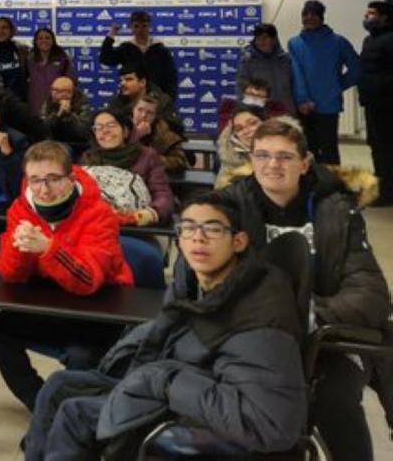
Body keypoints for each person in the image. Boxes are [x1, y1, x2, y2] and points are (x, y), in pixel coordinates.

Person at [25, 193, 307, 460]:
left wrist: (165, 380)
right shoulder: (195, 285)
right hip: (180, 389)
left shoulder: (257, 314)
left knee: (76, 415)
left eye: (213, 229)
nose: (198, 237)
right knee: (60, 385)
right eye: (188, 227)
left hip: (205, 417)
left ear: (239, 241)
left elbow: (268, 425)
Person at [219, 117, 391, 461]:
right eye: (263, 155)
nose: (272, 165)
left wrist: (308, 314)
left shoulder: (338, 210)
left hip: (324, 340)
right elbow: (209, 282)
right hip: (251, 340)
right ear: (251, 159)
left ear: (305, 163)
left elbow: (369, 291)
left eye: (284, 157)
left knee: (336, 399)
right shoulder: (227, 207)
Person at [0, 141, 132, 411]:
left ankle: (66, 417)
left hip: (98, 308)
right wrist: (19, 249)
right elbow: (9, 274)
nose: (43, 189)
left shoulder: (99, 215)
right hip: (51, 301)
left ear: (70, 179)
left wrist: (48, 248)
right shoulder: (20, 209)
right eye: (35, 180)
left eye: (53, 179)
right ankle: (41, 404)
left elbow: (88, 281)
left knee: (81, 356)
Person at [288, 0, 360, 165]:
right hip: (304, 108)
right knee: (305, 151)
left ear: (322, 17)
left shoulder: (338, 42)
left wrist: (336, 86)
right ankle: (310, 188)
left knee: (329, 151)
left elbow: (357, 69)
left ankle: (332, 188)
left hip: (328, 106)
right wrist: (302, 100)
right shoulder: (295, 43)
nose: (309, 17)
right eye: (305, 14)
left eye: (314, 14)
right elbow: (296, 73)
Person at [80, 109, 171, 226]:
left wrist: (147, 214)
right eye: (98, 127)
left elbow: (163, 194)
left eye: (111, 125)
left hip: (134, 228)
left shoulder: (147, 156)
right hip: (95, 227)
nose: (105, 131)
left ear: (125, 132)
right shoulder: (88, 157)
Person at [100, 10, 178, 99]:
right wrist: (111, 34)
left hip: (156, 99)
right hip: (130, 98)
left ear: (149, 27)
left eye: (144, 26)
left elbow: (171, 77)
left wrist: (168, 98)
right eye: (136, 26)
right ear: (131, 28)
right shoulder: (126, 48)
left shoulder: (160, 49)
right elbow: (105, 59)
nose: (140, 30)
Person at [359, 1, 393, 206]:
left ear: (385, 17)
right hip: (372, 103)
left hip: (387, 104)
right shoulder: (369, 40)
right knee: (376, 147)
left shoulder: (390, 40)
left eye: (371, 13)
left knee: (387, 148)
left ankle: (388, 192)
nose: (366, 16)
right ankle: (382, 187)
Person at [236, 22, 295, 110]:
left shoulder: (286, 59)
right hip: (262, 114)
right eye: (258, 38)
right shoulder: (248, 61)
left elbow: (294, 85)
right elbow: (242, 88)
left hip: (285, 111)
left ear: (274, 39)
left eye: (265, 38)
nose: (261, 42)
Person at [131, 91, 188, 174]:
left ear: (155, 116)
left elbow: (180, 161)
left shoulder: (165, 133)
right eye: (140, 110)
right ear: (133, 111)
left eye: (149, 113)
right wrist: (136, 135)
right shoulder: (119, 129)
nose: (143, 116)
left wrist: (152, 159)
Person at [213, 103, 265, 189]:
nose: (247, 131)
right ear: (236, 135)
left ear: (267, 123)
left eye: (252, 123)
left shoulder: (287, 149)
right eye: (239, 129)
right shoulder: (229, 160)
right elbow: (221, 194)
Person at [27, 26, 75, 116]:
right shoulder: (29, 59)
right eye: (40, 38)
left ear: (53, 40)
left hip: (55, 104)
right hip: (34, 103)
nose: (44, 41)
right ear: (35, 41)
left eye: (47, 38)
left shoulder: (62, 58)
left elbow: (70, 81)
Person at [216, 75, 289, 132]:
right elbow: (226, 129)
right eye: (250, 94)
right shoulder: (230, 109)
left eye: (258, 96)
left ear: (267, 99)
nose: (253, 98)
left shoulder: (276, 113)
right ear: (244, 94)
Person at [39, 76, 93, 152]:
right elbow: (43, 128)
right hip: (53, 142)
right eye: (52, 89)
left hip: (75, 144)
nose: (53, 93)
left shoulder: (82, 103)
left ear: (69, 93)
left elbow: (83, 133)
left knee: (62, 150)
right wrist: (58, 115)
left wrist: (69, 115)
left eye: (58, 90)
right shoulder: (49, 102)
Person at [0, 16, 31, 102]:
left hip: (20, 100)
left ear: (11, 30)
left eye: (4, 27)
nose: (0, 31)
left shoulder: (22, 51)